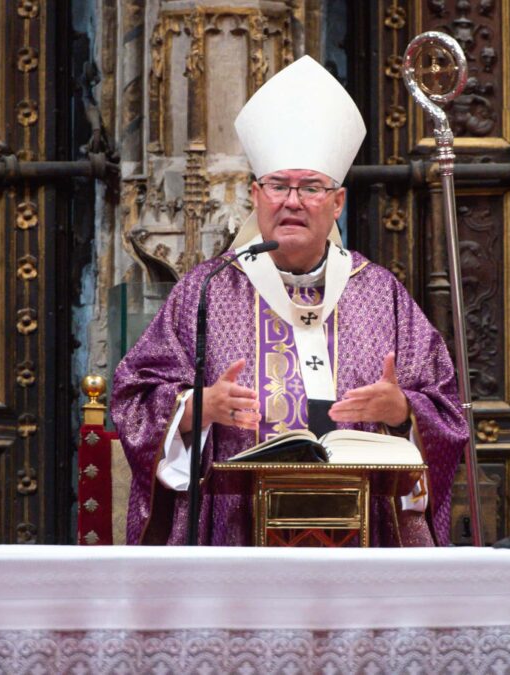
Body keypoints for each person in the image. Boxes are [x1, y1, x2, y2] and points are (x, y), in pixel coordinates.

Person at [110, 56, 468, 546]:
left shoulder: (381, 293)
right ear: (256, 195)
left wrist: (403, 410)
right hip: (234, 530)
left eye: (311, 188)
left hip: (366, 537)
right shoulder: (208, 289)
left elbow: (447, 410)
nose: (292, 201)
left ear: (338, 201)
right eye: (278, 185)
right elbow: (133, 396)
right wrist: (197, 407)